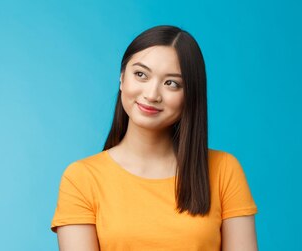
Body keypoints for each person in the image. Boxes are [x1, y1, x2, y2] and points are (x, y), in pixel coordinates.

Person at [50, 25, 258, 251]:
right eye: (141, 74)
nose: (151, 94)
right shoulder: (81, 179)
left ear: (190, 95)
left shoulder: (224, 170)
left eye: (172, 83)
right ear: (122, 78)